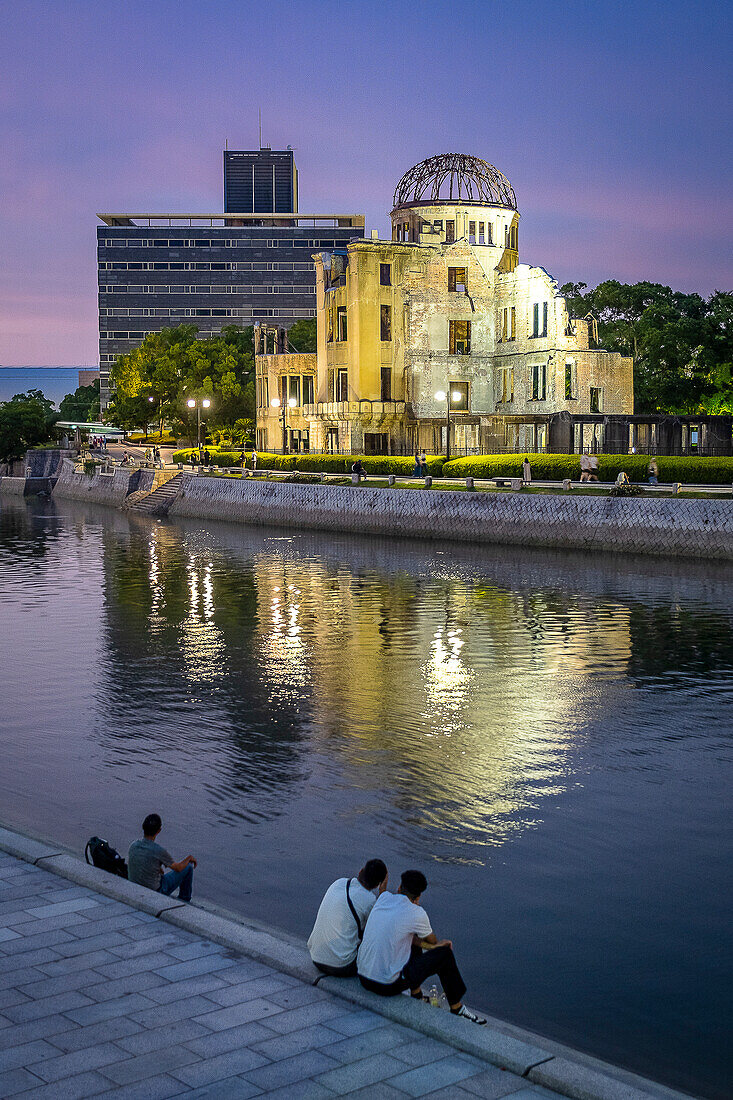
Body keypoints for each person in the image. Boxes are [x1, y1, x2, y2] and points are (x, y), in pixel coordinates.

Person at [357, 869, 486, 1025]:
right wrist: (438, 946)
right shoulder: (417, 913)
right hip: (386, 986)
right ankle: (457, 1008)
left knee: (411, 936)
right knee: (444, 954)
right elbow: (433, 942)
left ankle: (417, 995)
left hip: (363, 977)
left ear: (399, 888)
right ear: (418, 897)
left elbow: (384, 895)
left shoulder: (383, 898)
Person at [308, 859, 388, 977]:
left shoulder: (339, 883)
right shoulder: (370, 901)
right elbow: (381, 928)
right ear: (378, 885)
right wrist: (383, 893)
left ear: (361, 871)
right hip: (342, 967)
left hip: (316, 958)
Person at [127, 813, 196, 902]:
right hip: (155, 890)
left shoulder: (133, 845)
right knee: (188, 868)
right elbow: (178, 868)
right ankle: (184, 900)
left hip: (134, 885)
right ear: (159, 831)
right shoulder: (159, 851)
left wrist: (158, 868)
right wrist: (189, 858)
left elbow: (143, 861)